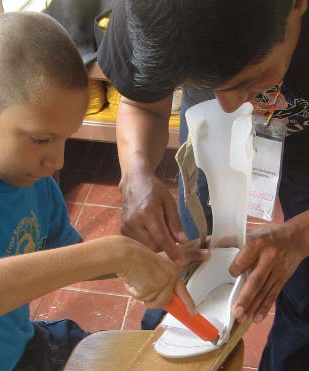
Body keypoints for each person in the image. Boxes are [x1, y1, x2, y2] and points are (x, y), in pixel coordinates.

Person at [0, 12, 195, 371]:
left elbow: (71, 255)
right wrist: (116, 253)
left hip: (19, 347)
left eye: (65, 139)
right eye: (41, 139)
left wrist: (145, 262)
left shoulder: (32, 178)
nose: (58, 160)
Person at [97, 0, 309, 370]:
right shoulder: (154, 13)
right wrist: (136, 170)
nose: (228, 107)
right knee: (185, 263)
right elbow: (142, 103)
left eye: (247, 80)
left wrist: (302, 236)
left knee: (304, 292)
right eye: (193, 86)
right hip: (210, 127)